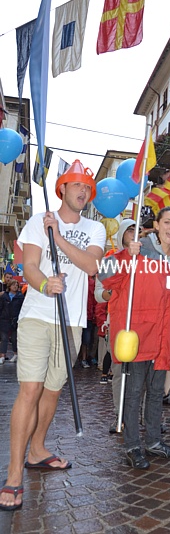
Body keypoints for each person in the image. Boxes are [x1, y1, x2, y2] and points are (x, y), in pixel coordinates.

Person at [0, 160, 105, 512]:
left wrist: (57, 237)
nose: (83, 192)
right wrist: (46, 284)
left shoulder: (95, 229)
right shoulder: (37, 221)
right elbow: (29, 266)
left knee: (52, 390)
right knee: (29, 389)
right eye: (77, 185)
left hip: (70, 321)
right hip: (37, 315)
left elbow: (91, 266)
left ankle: (37, 450)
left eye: (87, 188)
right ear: (61, 189)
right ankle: (14, 474)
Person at [99, 207, 170, 470]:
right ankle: (132, 445)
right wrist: (128, 254)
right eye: (167, 222)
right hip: (136, 335)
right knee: (134, 392)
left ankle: (153, 441)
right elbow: (104, 275)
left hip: (162, 337)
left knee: (155, 393)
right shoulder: (138, 249)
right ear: (157, 225)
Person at [95, 219, 141, 432]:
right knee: (120, 370)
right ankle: (119, 415)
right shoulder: (111, 260)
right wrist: (112, 292)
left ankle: (138, 415)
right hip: (119, 322)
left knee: (141, 372)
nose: (134, 233)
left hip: (143, 323)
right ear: (122, 233)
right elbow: (99, 294)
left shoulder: (147, 259)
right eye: (130, 229)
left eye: (137, 230)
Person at [0, 279, 25, 364]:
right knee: (4, 338)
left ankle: (15, 354)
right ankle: (2, 356)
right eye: (13, 285)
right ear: (9, 286)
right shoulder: (4, 296)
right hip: (4, 320)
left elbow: (22, 309)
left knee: (14, 339)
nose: (15, 287)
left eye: (17, 285)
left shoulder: (20, 296)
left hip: (15, 320)